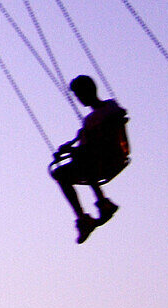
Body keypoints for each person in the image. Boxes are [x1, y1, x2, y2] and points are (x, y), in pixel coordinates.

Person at [49, 76, 129, 244]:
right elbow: (83, 140)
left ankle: (103, 203)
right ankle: (84, 217)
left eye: (79, 94)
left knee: (85, 156)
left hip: (111, 156)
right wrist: (69, 148)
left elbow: (107, 135)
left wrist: (77, 149)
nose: (79, 98)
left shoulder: (110, 109)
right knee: (61, 174)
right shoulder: (89, 120)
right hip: (94, 159)